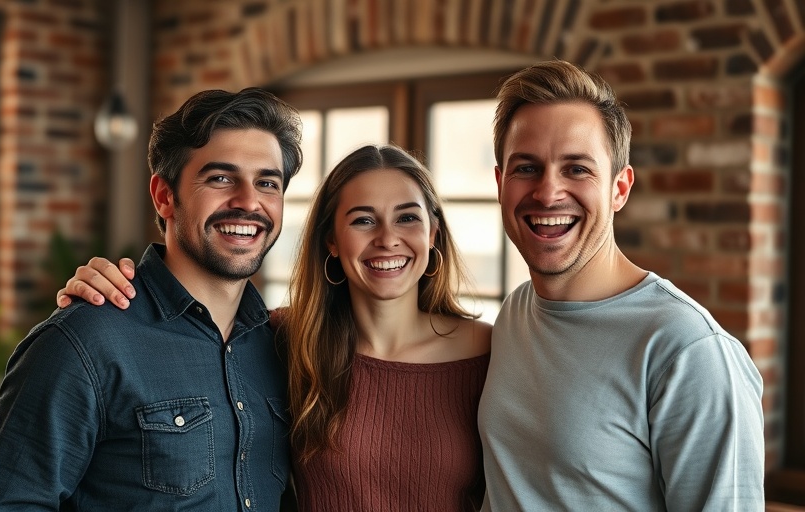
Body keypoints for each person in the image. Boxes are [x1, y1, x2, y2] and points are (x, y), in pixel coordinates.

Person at [56, 144, 492, 511]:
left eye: (408, 217)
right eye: (362, 219)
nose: (387, 238)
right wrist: (110, 291)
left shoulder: (490, 352)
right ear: (332, 241)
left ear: (434, 232)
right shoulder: (279, 339)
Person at [0, 87, 303, 510]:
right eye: (220, 178)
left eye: (267, 183)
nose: (249, 201)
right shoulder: (84, 341)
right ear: (164, 196)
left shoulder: (283, 345)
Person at [479, 59, 764, 510]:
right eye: (526, 168)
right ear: (500, 184)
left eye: (577, 169)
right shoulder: (516, 313)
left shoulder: (689, 351)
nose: (548, 193)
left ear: (620, 188)